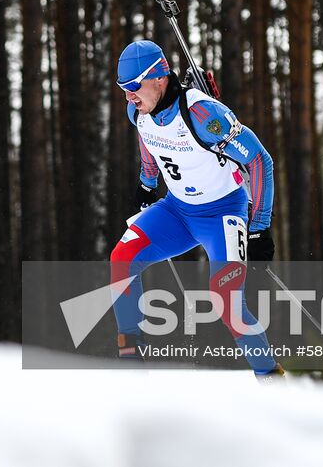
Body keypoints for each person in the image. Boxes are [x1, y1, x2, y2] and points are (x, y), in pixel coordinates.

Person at [109, 39, 282, 376]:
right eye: (123, 88)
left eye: (133, 87)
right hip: (177, 210)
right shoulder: (138, 110)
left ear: (158, 78)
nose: (129, 96)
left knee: (225, 300)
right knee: (122, 258)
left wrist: (259, 227)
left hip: (223, 213)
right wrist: (147, 182)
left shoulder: (202, 114)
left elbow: (260, 161)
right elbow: (149, 140)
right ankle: (131, 367)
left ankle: (270, 376)